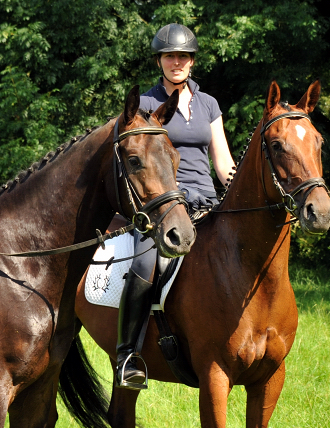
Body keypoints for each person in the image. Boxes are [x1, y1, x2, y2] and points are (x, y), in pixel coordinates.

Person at [115, 23, 235, 389]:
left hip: (208, 204)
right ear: (160, 61)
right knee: (146, 261)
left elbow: (223, 161)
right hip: (161, 205)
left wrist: (237, 194)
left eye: (183, 56)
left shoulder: (209, 104)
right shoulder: (147, 105)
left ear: (192, 61)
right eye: (170, 56)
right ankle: (127, 355)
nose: (177, 62)